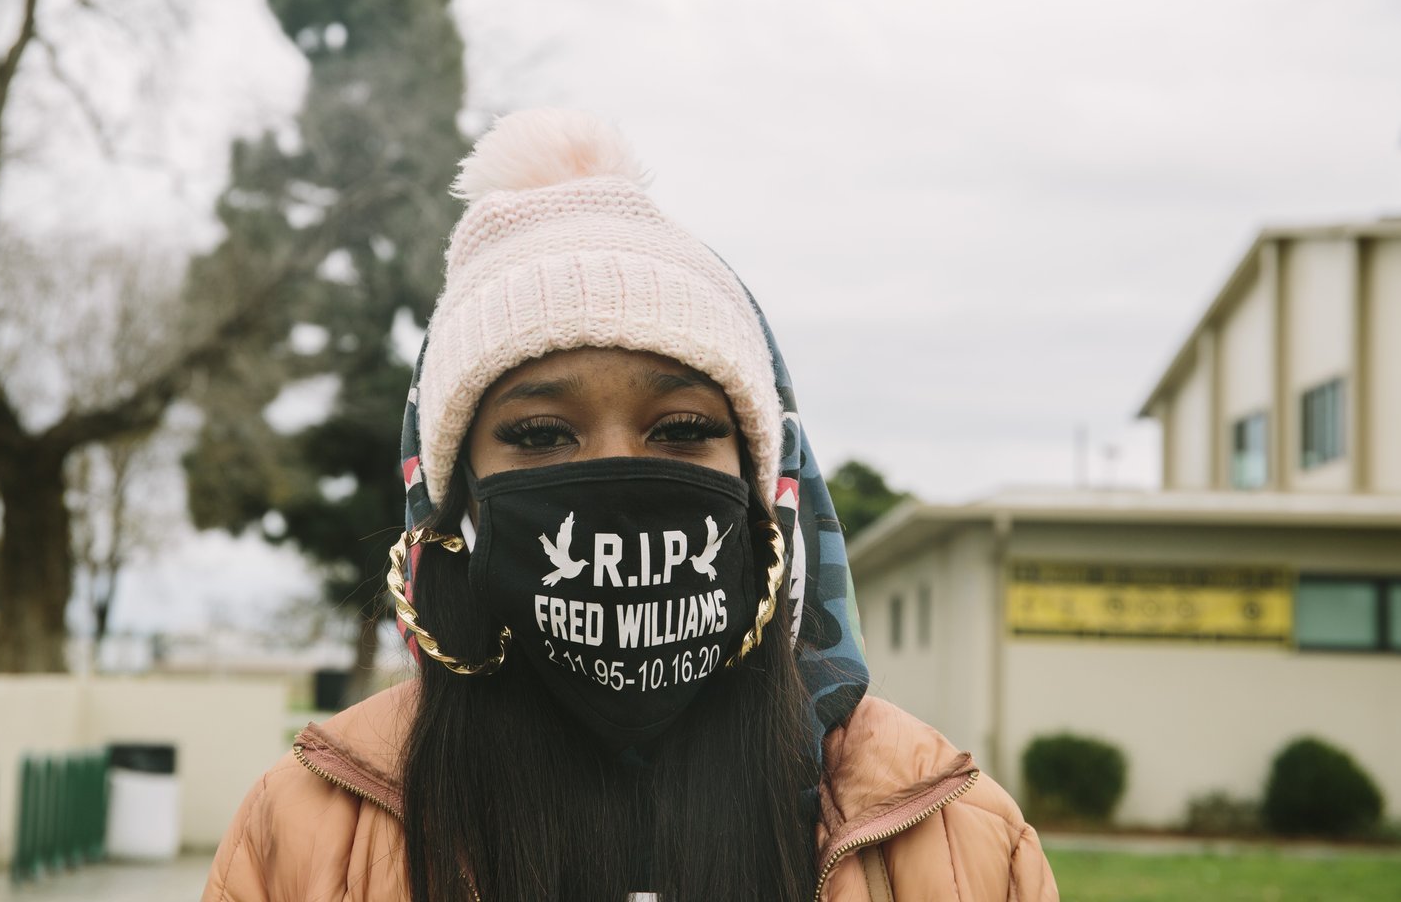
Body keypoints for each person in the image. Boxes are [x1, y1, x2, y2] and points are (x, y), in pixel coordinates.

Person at [202, 109, 1058, 902]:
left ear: (769, 487)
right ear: (452, 500)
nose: (615, 474)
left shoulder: (957, 838)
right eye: (539, 435)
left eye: (682, 426)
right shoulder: (307, 830)